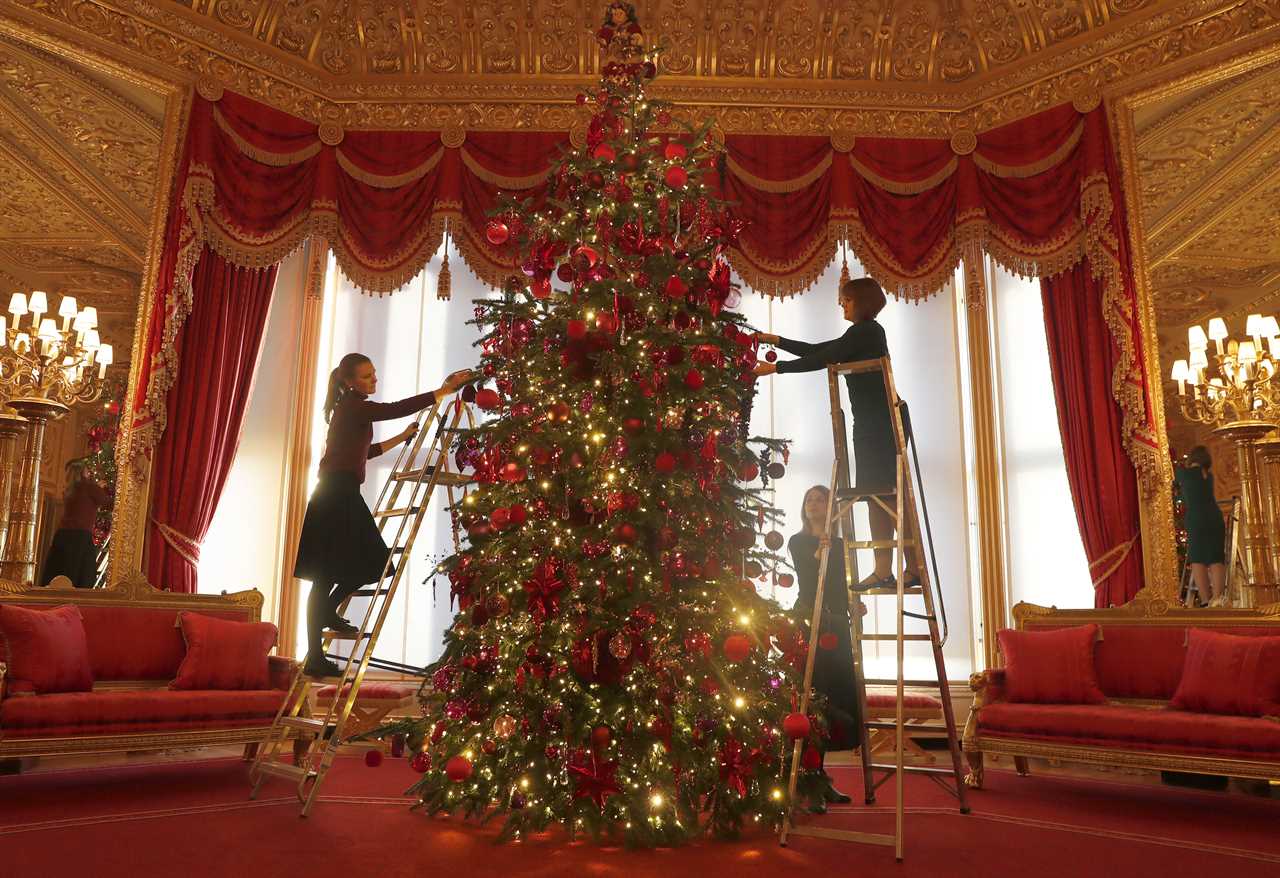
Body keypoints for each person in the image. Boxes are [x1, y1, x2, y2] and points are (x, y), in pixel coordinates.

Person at [294, 354, 474, 677]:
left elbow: (368, 452)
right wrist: (441, 392)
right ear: (350, 381)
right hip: (335, 494)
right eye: (366, 376)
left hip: (341, 492)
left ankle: (325, 613)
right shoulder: (353, 405)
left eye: (374, 374)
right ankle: (315, 654)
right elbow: (393, 408)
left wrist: (401, 438)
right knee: (330, 575)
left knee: (370, 565)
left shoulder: (353, 408)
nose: (373, 380)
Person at [755, 276, 920, 587]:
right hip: (872, 423)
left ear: (861, 301)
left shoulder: (868, 331)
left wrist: (776, 368)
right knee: (875, 495)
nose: (842, 304)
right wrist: (776, 341)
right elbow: (820, 349)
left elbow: (823, 357)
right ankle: (887, 568)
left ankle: (908, 567)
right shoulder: (860, 334)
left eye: (846, 299)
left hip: (880, 424)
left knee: (887, 495)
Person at [789, 484, 864, 812]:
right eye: (810, 500)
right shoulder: (798, 541)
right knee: (813, 698)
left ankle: (822, 777)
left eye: (821, 500)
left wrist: (854, 605)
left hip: (837, 626)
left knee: (837, 698)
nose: (815, 504)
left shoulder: (841, 544)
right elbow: (808, 579)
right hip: (810, 622)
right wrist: (821, 552)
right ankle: (808, 781)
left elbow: (841, 585)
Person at [40, 459, 108, 588]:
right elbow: (106, 500)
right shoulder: (88, 487)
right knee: (81, 574)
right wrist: (100, 487)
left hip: (62, 536)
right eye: (88, 470)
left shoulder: (69, 489)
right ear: (83, 472)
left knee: (59, 571)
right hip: (80, 536)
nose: (89, 472)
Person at [1175, 445, 1227, 607]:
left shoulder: (1185, 474)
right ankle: (1217, 600)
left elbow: (1172, 475)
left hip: (1197, 519)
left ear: (1192, 459)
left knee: (1198, 560)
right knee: (1216, 559)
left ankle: (1205, 601)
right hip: (1214, 518)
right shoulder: (1208, 475)